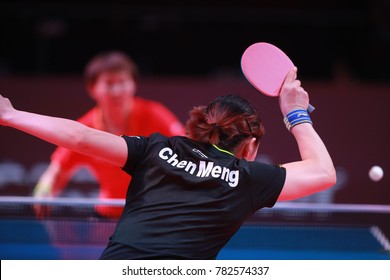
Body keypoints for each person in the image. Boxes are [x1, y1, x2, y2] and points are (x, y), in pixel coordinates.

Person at [0, 67, 336, 259]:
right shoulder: (249, 177)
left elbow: (81, 138)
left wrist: (11, 115)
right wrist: (296, 114)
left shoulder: (156, 148)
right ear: (250, 146)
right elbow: (323, 172)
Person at [32, 51, 185, 218]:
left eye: (123, 82)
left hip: (152, 215)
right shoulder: (85, 130)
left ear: (133, 84)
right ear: (92, 88)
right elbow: (56, 172)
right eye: (109, 83)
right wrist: (43, 192)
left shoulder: (154, 115)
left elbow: (188, 150)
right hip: (108, 214)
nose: (117, 90)